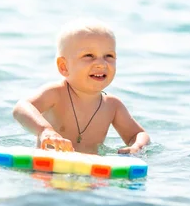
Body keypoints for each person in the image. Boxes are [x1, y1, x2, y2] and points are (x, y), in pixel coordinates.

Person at [12, 19, 150, 155]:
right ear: (64, 67)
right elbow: (21, 108)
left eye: (109, 56)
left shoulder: (113, 106)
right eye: (89, 55)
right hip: (50, 168)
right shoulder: (56, 93)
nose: (101, 64)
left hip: (90, 171)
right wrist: (45, 130)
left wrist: (137, 146)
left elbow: (137, 134)